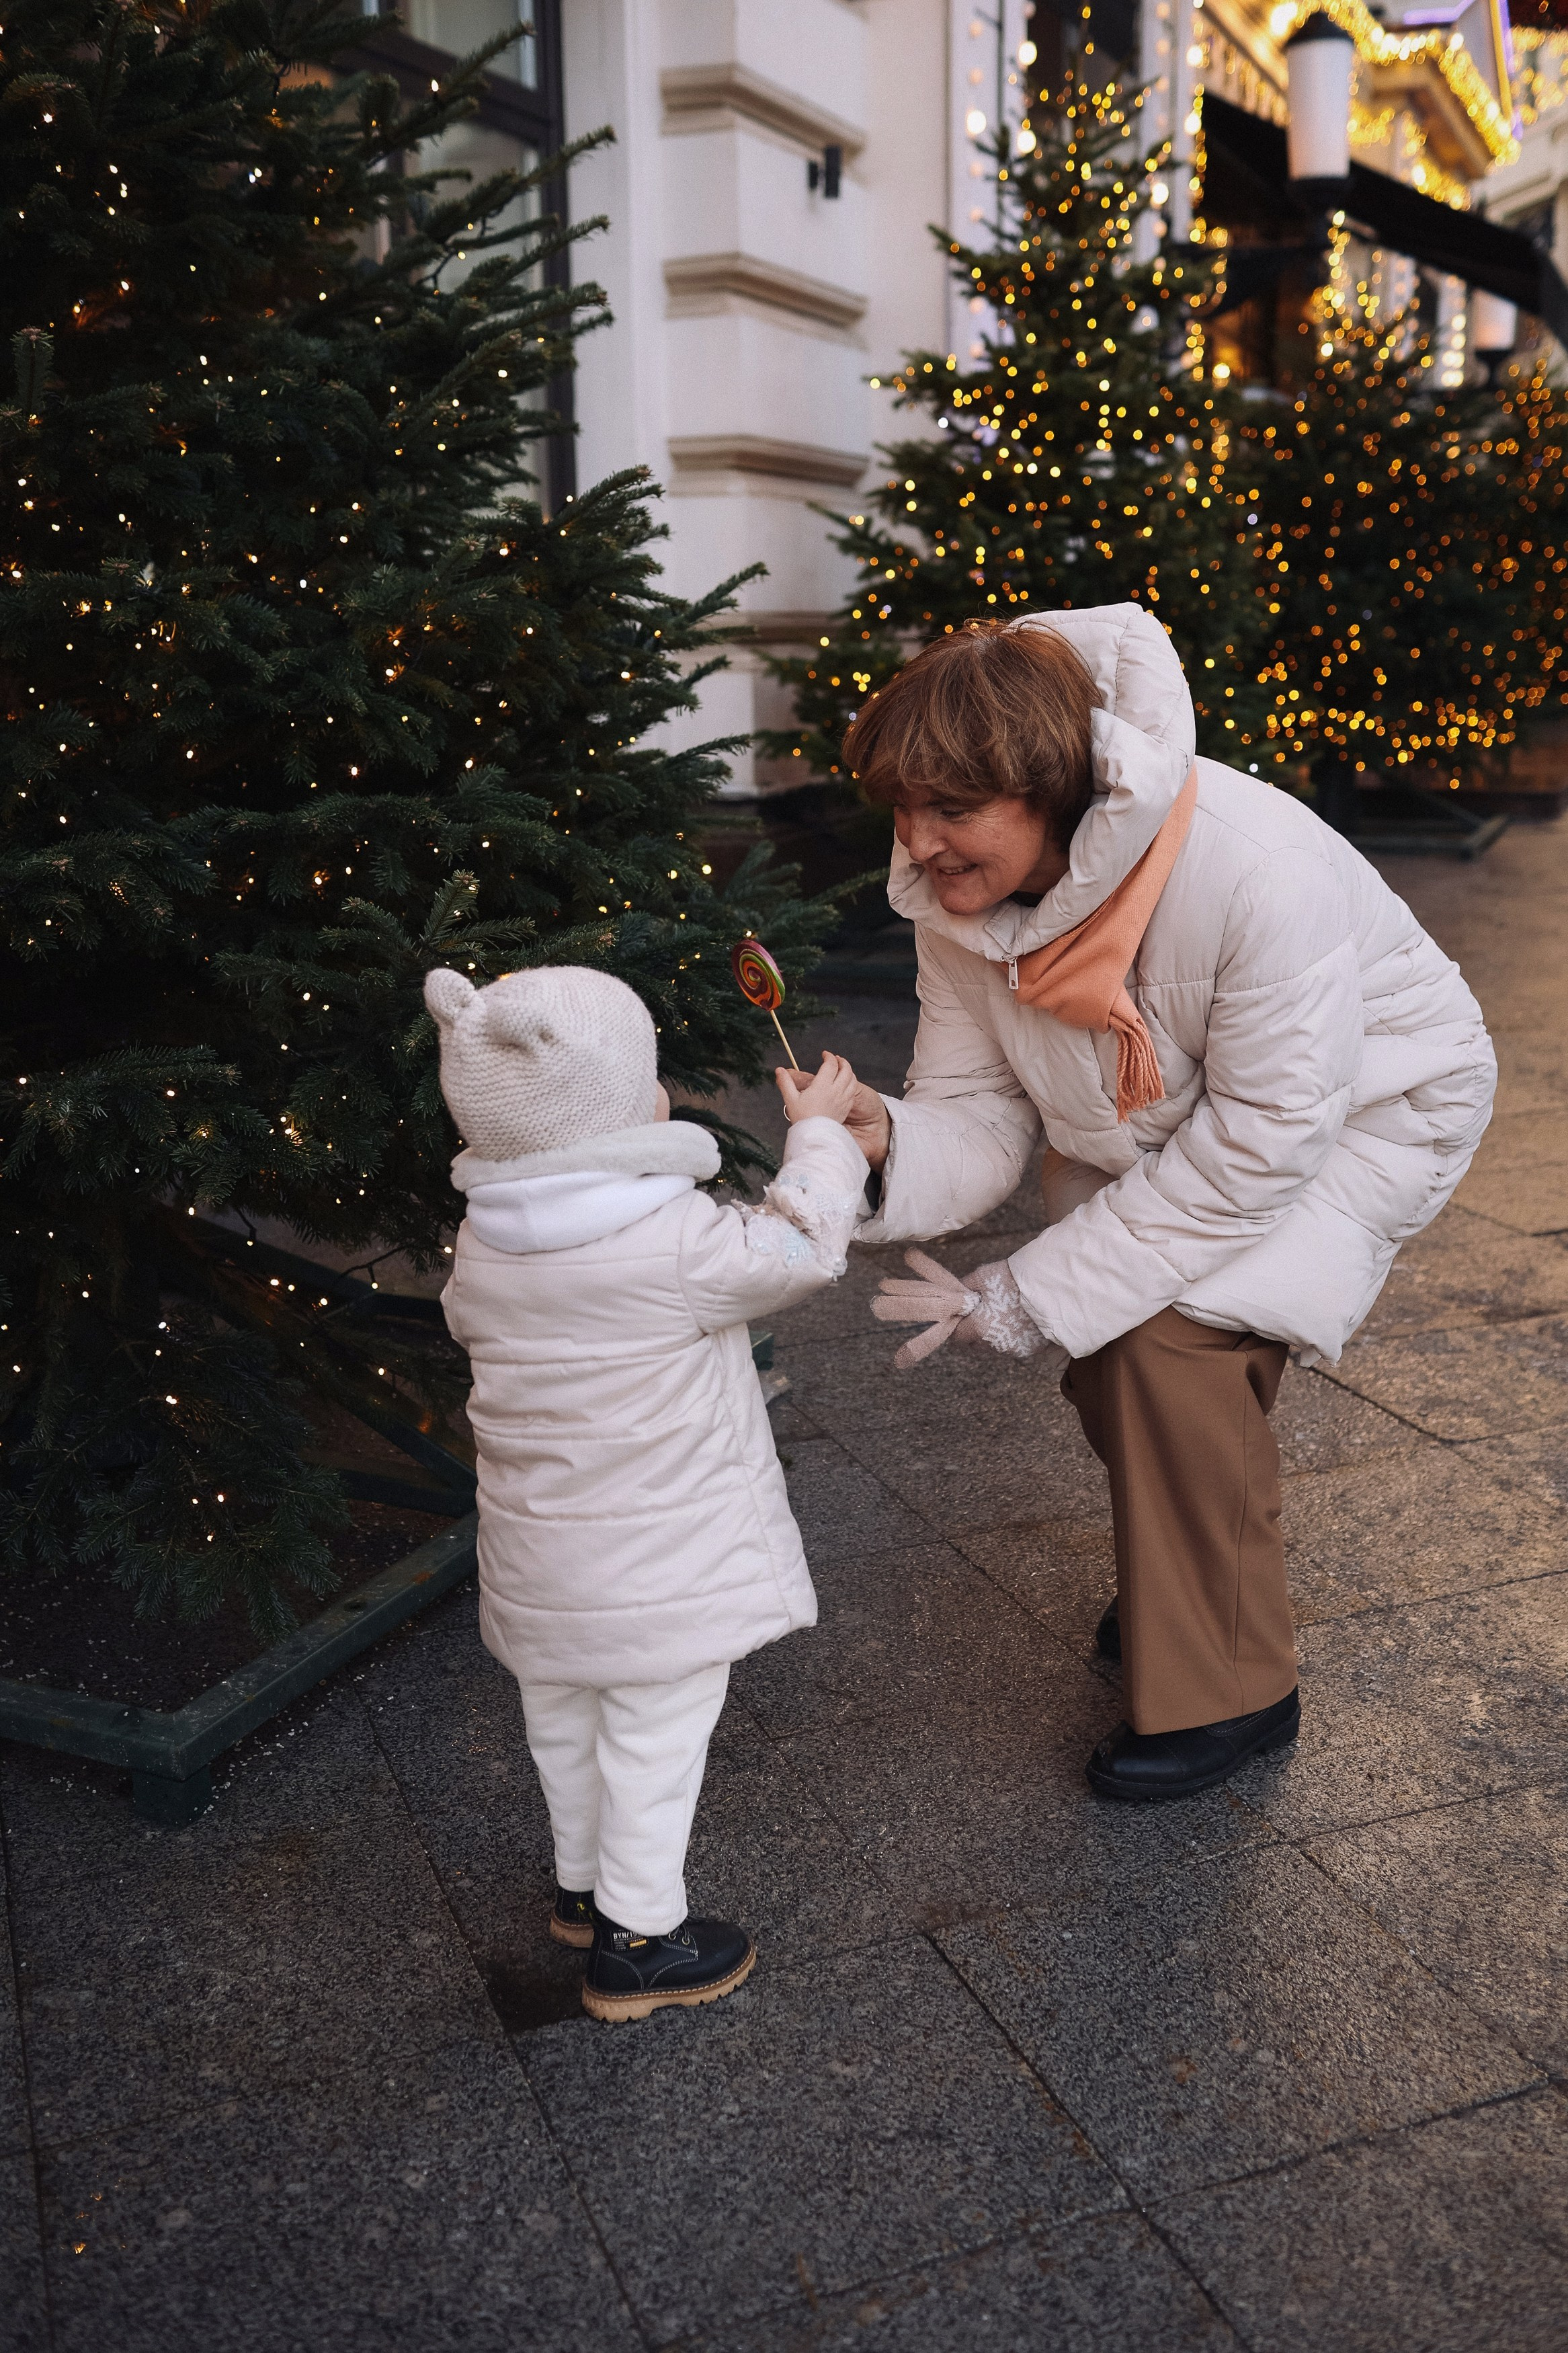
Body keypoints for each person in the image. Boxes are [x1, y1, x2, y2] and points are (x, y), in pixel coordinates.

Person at [782, 606, 1495, 1802]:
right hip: (1154, 1123)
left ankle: (1234, 1689)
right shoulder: (951, 898)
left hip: (1366, 1111)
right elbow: (982, 1103)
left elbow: (1266, 1140)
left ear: (1049, 786)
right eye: (900, 809)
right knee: (1114, 1349)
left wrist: (1033, 1287)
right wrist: (878, 1145)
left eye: (949, 809)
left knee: (1170, 1347)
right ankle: (1187, 1580)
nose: (916, 845)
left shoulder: (1248, 864)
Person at [427, 963, 866, 2020]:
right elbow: (803, 1247)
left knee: (565, 1723)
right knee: (655, 1738)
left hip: (542, 1567)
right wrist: (817, 1137)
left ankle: (582, 1888)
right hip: (659, 1571)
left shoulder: (483, 1243)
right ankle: (642, 1942)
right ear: (623, 1111)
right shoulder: (676, 1241)